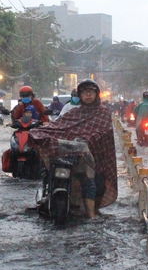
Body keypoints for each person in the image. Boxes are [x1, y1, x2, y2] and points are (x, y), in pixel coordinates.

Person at [29, 79, 117, 219]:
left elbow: (104, 131)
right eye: (84, 92)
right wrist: (41, 132)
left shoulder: (103, 113)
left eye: (91, 91)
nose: (88, 94)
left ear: (97, 94)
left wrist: (89, 139)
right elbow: (59, 126)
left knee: (93, 184)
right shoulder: (74, 112)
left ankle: (92, 215)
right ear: (80, 95)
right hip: (71, 154)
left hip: (94, 157)